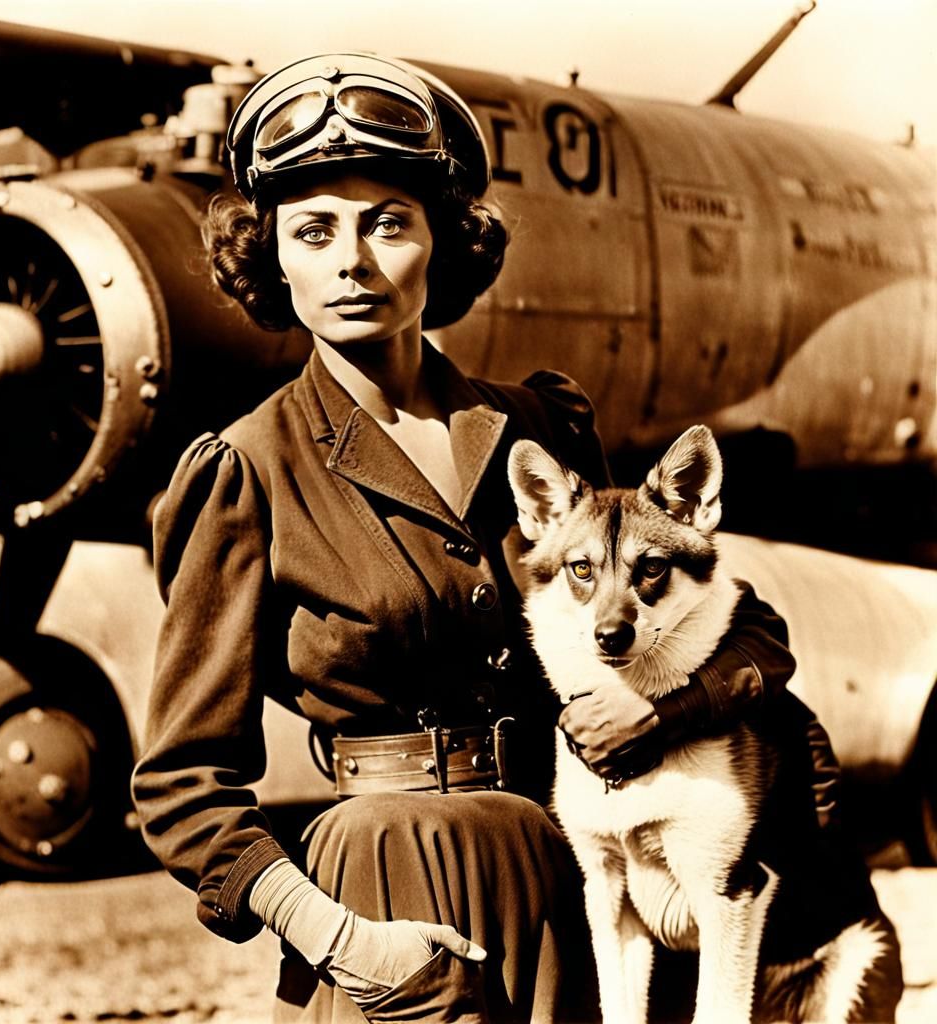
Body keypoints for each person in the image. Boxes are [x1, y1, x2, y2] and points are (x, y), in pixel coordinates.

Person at [131, 53, 900, 1023]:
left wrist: (662, 716)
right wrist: (343, 941)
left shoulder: (539, 432)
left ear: (442, 246)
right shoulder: (245, 470)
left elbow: (751, 633)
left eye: (389, 223)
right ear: (273, 258)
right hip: (384, 899)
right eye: (313, 230)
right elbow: (181, 785)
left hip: (572, 881)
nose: (351, 262)